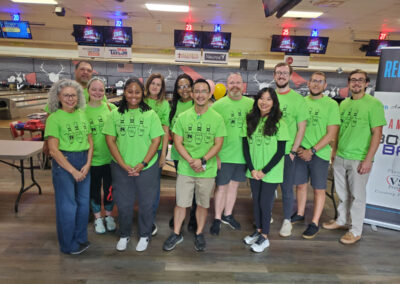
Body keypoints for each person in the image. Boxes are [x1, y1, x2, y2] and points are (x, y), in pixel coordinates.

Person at [322, 69, 386, 244]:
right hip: (341, 155)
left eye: (360, 80)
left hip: (359, 158)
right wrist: (334, 151)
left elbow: (377, 133)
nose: (356, 83)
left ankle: (355, 230)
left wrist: (368, 159)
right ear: (349, 83)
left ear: (367, 83)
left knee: (357, 195)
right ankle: (342, 220)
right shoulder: (343, 104)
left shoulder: (374, 104)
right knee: (342, 193)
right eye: (353, 80)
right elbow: (338, 130)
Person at [163, 79, 226, 252]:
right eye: (196, 91)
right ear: (192, 94)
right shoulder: (183, 117)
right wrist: (191, 160)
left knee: (202, 204)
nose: (200, 94)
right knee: (181, 203)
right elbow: (177, 142)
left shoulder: (217, 118)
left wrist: (203, 160)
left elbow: (218, 144)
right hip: (185, 168)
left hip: (207, 170)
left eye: (203, 91)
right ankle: (176, 233)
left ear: (209, 94)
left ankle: (199, 233)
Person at [103, 77, 164, 252]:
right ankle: (124, 234)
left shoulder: (150, 114)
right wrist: (122, 164)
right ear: (125, 93)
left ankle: (144, 235)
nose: (133, 95)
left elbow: (156, 141)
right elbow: (110, 140)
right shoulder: (115, 114)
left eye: (137, 92)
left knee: (146, 203)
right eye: (130, 91)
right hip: (120, 167)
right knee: (123, 203)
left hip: (147, 166)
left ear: (142, 93)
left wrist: (143, 163)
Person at [45, 79, 93, 254]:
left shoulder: (82, 114)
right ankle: (67, 245)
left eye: (73, 95)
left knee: (82, 204)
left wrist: (87, 164)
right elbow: (53, 150)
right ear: (58, 97)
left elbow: (90, 141)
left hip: (83, 161)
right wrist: (72, 170)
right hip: (64, 162)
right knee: (68, 206)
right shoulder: (54, 118)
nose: (70, 99)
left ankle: (80, 238)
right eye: (66, 95)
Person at [291, 72, 340, 239]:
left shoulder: (332, 105)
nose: (316, 84)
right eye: (313, 81)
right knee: (301, 185)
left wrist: (312, 150)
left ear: (325, 85)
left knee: (319, 189)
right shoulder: (301, 102)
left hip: (320, 153)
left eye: (320, 82)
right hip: (300, 151)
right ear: (309, 84)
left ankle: (314, 222)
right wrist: (299, 149)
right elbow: (295, 128)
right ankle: (299, 213)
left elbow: (331, 134)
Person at [243, 87, 288, 252]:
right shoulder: (251, 120)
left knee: (265, 203)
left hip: (271, 172)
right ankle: (259, 231)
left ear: (274, 102)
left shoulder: (279, 123)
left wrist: (264, 170)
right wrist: (252, 168)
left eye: (268, 99)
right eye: (261, 98)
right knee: (256, 201)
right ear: (257, 101)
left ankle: (265, 237)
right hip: (254, 171)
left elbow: (281, 151)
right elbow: (245, 146)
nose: (264, 102)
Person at [209, 72, 254, 235]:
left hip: (242, 156)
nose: (235, 85)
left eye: (238, 82)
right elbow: (212, 132)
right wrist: (215, 154)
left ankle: (227, 215)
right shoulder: (218, 105)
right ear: (227, 85)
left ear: (243, 85)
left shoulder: (251, 104)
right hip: (224, 155)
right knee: (221, 187)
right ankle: (216, 218)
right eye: (232, 82)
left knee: (234, 186)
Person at [273, 62, 307, 237]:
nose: (281, 75)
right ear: (274, 76)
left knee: (286, 188)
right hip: (268, 152)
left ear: (290, 76)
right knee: (268, 187)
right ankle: (266, 214)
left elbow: (302, 127)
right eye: (278, 73)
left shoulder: (297, 100)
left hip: (287, 152)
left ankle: (287, 220)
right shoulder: (268, 96)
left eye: (284, 73)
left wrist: (293, 151)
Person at [85, 77, 117, 234]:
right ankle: (98, 218)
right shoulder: (82, 111)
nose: (97, 92)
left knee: (110, 189)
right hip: (92, 160)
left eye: (101, 90)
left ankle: (109, 216)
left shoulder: (111, 108)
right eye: (94, 89)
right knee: (95, 190)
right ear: (88, 91)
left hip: (111, 159)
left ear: (105, 92)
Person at [168, 74, 197, 232]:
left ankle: (193, 215)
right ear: (177, 89)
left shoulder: (198, 104)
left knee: (194, 187)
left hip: (195, 155)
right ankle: (180, 213)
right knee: (181, 187)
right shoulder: (173, 105)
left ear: (192, 87)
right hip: (179, 155)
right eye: (180, 86)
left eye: (187, 86)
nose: (184, 90)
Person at [144, 73, 170, 236]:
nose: (155, 86)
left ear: (162, 88)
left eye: (158, 84)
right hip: (140, 148)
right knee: (140, 185)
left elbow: (165, 130)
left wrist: (163, 155)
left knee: (153, 187)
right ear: (148, 85)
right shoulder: (141, 100)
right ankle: (141, 215)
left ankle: (150, 219)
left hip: (158, 148)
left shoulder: (164, 104)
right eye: (153, 83)